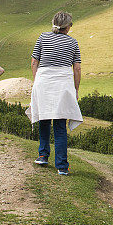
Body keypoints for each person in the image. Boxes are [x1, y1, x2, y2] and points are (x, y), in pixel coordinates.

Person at [26, 11, 83, 175]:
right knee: (59, 124)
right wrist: (76, 89)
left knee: (43, 119)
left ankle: (43, 155)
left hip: (43, 80)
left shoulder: (43, 37)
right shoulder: (73, 42)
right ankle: (62, 166)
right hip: (63, 83)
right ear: (68, 26)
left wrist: (37, 81)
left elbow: (34, 62)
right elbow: (77, 68)